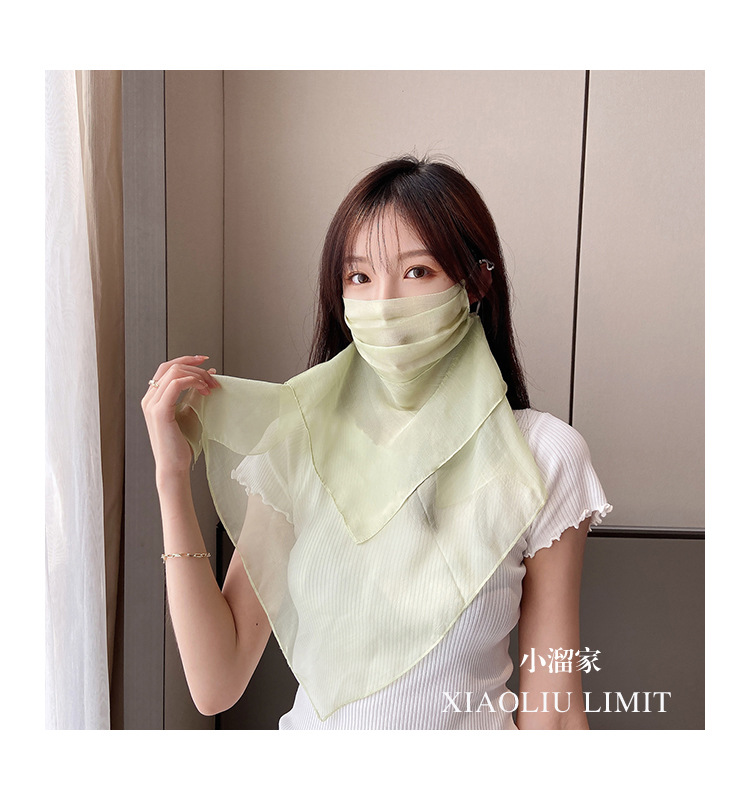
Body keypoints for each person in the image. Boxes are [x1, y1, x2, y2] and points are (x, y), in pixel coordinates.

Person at [141, 155, 612, 730]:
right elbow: (215, 684)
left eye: (417, 271)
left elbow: (554, 713)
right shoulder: (300, 445)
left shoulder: (544, 454)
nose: (384, 304)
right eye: (359, 278)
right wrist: (171, 478)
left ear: (475, 282)